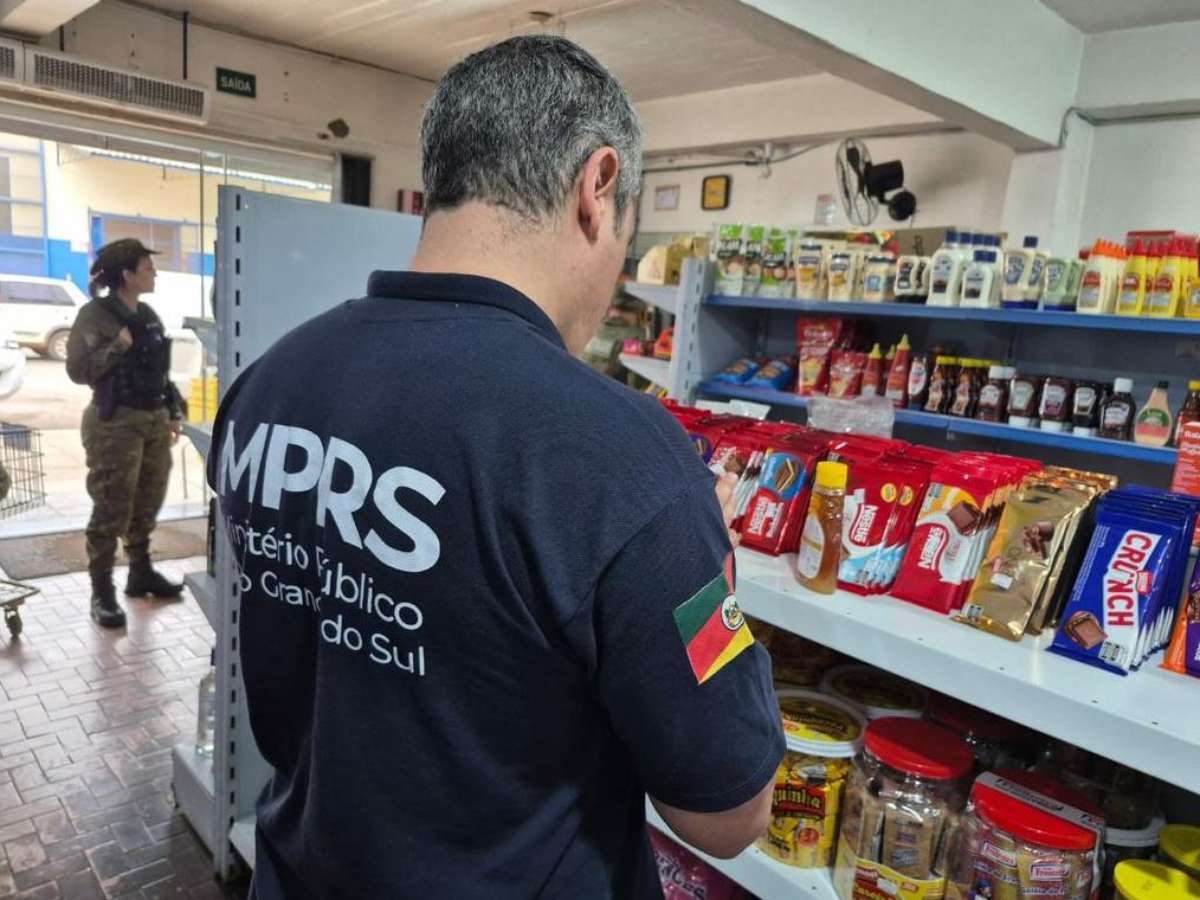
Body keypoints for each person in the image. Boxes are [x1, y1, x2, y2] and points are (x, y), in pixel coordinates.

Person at [209, 35, 784, 899]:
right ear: (597, 186)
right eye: (627, 237)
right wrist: (712, 561)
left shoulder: (269, 383)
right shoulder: (627, 462)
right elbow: (728, 816)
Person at [67, 238, 185, 628]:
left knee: (148, 500)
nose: (155, 273)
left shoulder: (148, 313)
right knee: (111, 506)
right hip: (114, 423)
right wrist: (117, 346)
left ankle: (140, 572)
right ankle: (101, 592)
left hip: (153, 420)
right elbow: (78, 371)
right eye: (147, 267)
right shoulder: (95, 316)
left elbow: (161, 370)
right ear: (127, 274)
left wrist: (172, 409)